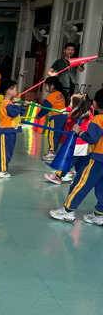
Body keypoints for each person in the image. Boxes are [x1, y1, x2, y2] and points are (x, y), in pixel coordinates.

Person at [50, 89, 103, 224]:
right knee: (101, 186)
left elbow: (92, 138)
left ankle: (67, 211)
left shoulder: (98, 119)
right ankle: (100, 214)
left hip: (98, 159)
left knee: (80, 183)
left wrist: (79, 132)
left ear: (95, 103)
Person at [44, 94, 93, 185]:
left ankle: (57, 176)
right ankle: (79, 178)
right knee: (80, 163)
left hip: (78, 143)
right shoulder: (88, 111)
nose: (69, 104)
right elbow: (73, 108)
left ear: (77, 105)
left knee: (69, 160)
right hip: (85, 142)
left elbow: (70, 125)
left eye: (71, 102)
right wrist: (66, 109)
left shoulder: (77, 115)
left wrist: (67, 115)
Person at [0, 80, 23, 179]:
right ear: (9, 91)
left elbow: (18, 112)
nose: (17, 92)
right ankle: (3, 170)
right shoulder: (6, 103)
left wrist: (23, 106)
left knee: (8, 151)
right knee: (5, 152)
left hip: (11, 130)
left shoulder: (10, 103)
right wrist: (17, 103)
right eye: (16, 89)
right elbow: (13, 113)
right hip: (6, 131)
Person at [38, 77, 68, 163]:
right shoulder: (60, 94)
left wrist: (38, 116)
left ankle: (51, 153)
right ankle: (53, 151)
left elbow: (45, 109)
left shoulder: (50, 96)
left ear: (51, 86)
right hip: (63, 117)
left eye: (46, 85)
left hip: (55, 118)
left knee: (52, 135)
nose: (45, 87)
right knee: (57, 135)